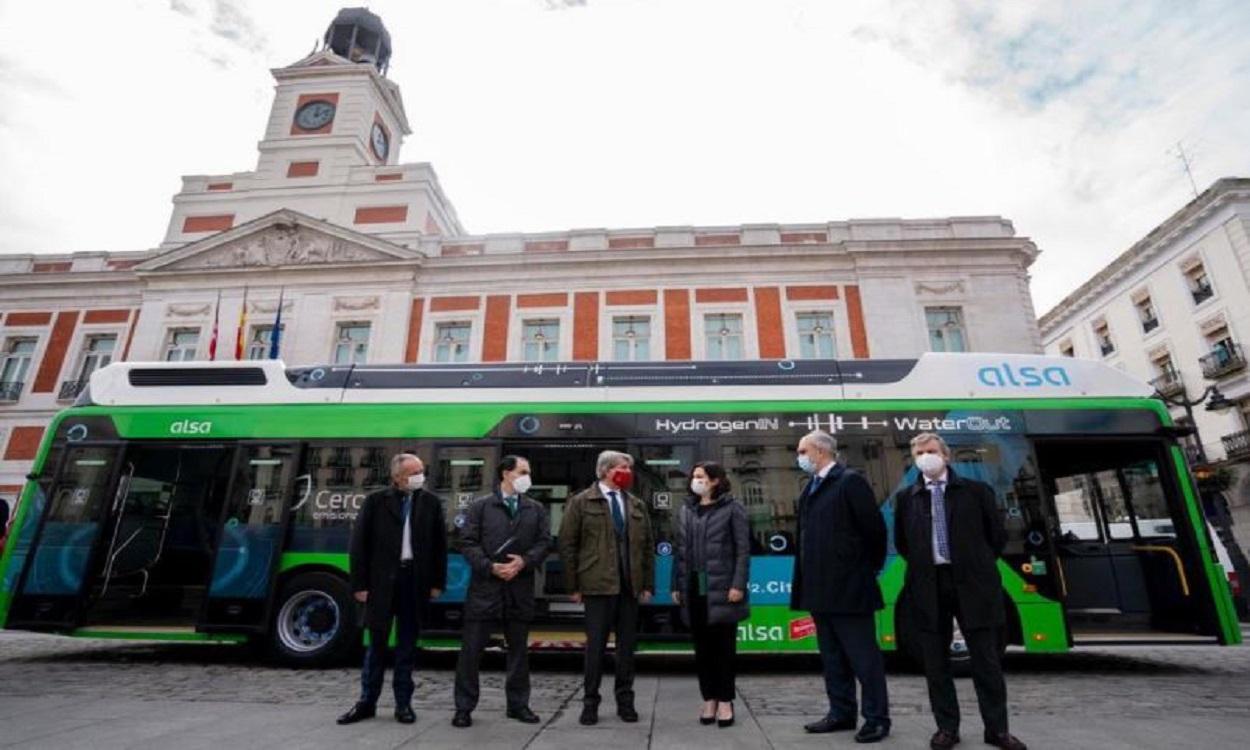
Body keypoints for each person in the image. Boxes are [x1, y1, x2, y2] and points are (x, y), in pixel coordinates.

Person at [894, 433, 1026, 750]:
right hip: (928, 586)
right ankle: (947, 729)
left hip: (974, 585)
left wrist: (973, 563)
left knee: (986, 662)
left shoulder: (976, 492)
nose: (926, 457)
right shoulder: (907, 498)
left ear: (946, 456)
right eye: (919, 453)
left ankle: (997, 730)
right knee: (936, 665)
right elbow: (903, 544)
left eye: (931, 451)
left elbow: (996, 537)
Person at [790, 430, 890, 744]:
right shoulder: (812, 487)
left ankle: (876, 719)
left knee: (864, 659)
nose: (800, 456)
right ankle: (841, 713)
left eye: (803, 450)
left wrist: (862, 569)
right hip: (820, 590)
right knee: (833, 659)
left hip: (850, 589)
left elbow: (874, 532)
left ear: (820, 451)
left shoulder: (849, 481)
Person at [338, 453, 448, 726]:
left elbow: (439, 547)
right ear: (398, 476)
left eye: (421, 470)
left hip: (414, 581)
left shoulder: (431, 503)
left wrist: (437, 583)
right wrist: (359, 585)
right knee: (376, 646)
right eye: (414, 472)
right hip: (380, 584)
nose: (420, 476)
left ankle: (403, 704)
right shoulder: (376, 501)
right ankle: (367, 702)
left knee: (407, 647)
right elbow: (359, 545)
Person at [452, 455, 552, 728]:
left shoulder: (535, 508)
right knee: (471, 651)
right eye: (523, 471)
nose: (527, 477)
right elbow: (467, 542)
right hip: (485, 589)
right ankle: (463, 707)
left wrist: (524, 561)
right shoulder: (481, 506)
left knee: (518, 651)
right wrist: (489, 567)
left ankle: (518, 705)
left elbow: (545, 542)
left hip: (519, 589)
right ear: (506, 473)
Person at [557, 450, 655, 726]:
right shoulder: (580, 502)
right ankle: (590, 703)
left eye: (628, 468)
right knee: (596, 649)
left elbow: (647, 547)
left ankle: (626, 702)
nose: (627, 472)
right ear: (606, 470)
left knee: (626, 649)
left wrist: (647, 583)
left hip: (629, 587)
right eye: (623, 467)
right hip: (597, 586)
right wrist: (572, 586)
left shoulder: (635, 504)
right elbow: (567, 545)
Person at [670, 461, 750, 728]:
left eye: (700, 476)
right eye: (694, 476)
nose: (695, 480)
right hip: (694, 588)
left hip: (723, 588)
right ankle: (709, 699)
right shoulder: (686, 509)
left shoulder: (732, 508)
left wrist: (738, 584)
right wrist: (676, 585)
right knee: (702, 650)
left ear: (715, 480)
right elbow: (679, 551)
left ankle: (726, 701)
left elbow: (742, 550)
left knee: (724, 649)